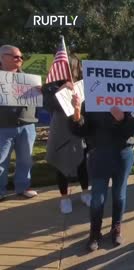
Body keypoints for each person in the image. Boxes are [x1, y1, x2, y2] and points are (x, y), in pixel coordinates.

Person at [71, 93, 134, 251]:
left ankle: (116, 228)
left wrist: (122, 118)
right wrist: (76, 113)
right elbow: (80, 130)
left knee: (119, 195)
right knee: (97, 198)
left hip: (123, 153)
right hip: (99, 154)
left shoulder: (126, 98)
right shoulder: (90, 102)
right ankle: (95, 232)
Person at [43, 79, 90, 214]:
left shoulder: (82, 85)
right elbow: (49, 105)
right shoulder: (50, 87)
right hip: (60, 129)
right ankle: (64, 198)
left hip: (78, 125)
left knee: (81, 161)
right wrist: (61, 89)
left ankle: (85, 192)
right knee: (61, 161)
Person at [0, 45, 38, 200]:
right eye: (15, 56)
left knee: (26, 159)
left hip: (27, 125)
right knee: (1, 160)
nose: (20, 59)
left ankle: (23, 187)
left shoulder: (29, 79)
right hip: (3, 126)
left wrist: (40, 91)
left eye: (21, 57)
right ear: (2, 58)